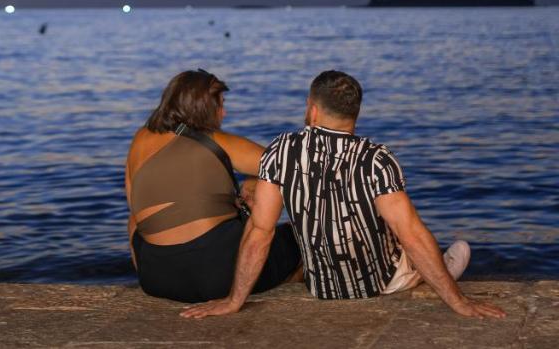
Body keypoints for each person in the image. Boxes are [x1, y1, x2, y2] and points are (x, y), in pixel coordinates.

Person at [182, 70, 506, 320]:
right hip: (378, 285)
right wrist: (459, 302)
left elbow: (260, 231)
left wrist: (234, 300)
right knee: (417, 234)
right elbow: (411, 234)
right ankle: (429, 274)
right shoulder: (376, 159)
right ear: (355, 115)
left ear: (312, 110)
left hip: (321, 287)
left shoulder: (281, 151)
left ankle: (421, 270)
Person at [125, 69, 301, 302]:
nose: (224, 112)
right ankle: (289, 284)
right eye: (220, 104)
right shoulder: (220, 143)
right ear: (203, 107)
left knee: (135, 218)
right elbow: (289, 170)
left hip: (156, 280)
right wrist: (253, 183)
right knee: (297, 238)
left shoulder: (140, 138)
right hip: (218, 277)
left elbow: (133, 204)